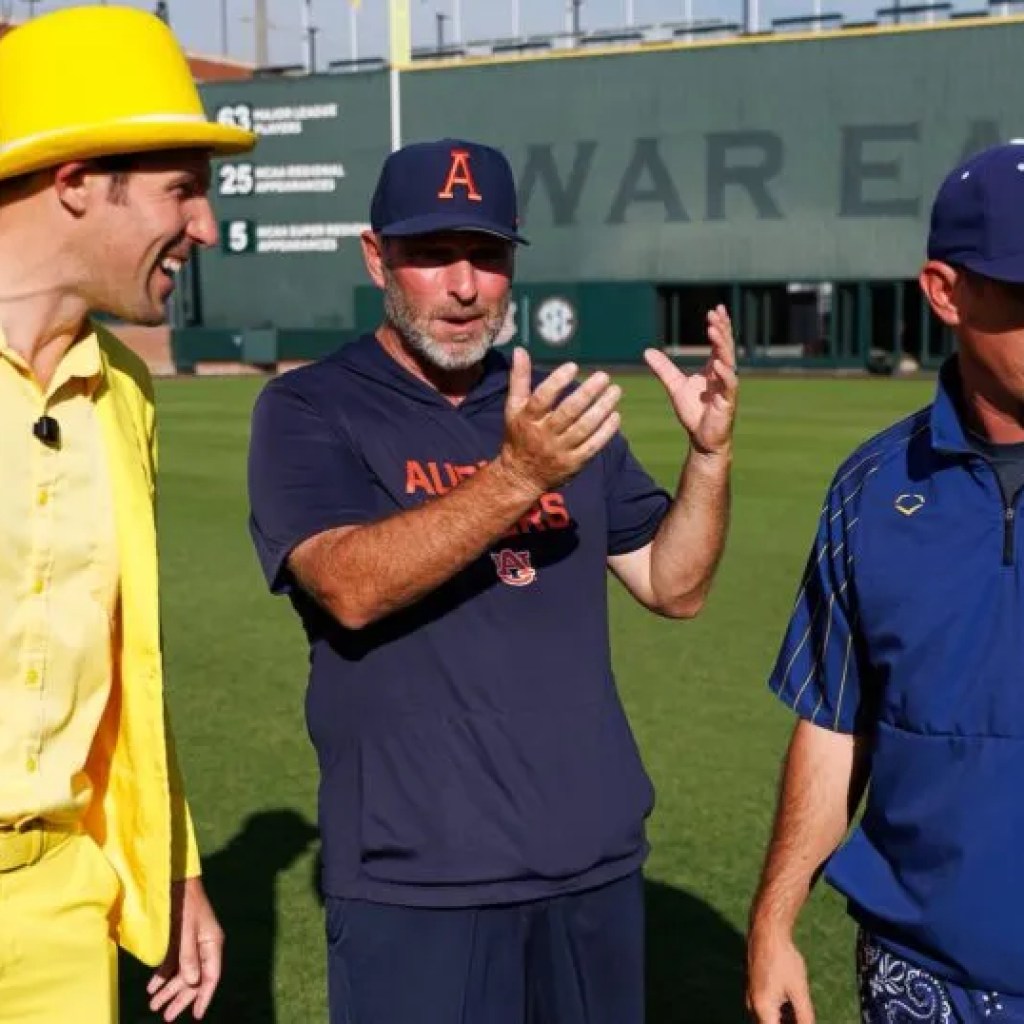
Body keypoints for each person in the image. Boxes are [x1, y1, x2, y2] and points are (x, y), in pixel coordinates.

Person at [247, 136, 738, 1024]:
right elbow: (347, 586)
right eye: (432, 256)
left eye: (487, 256)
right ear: (377, 258)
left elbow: (676, 584)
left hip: (592, 866)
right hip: (418, 880)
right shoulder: (310, 408)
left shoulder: (559, 409)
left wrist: (709, 457)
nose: (465, 286)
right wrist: (516, 477)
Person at [0, 7, 256, 1023]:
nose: (203, 227)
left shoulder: (125, 396)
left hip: (61, 898)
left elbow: (128, 670)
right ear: (75, 181)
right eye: (181, 191)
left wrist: (176, 863)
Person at [747, 141, 1024, 1024]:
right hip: (921, 984)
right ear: (946, 291)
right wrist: (773, 922)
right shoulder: (872, 489)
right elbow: (834, 726)